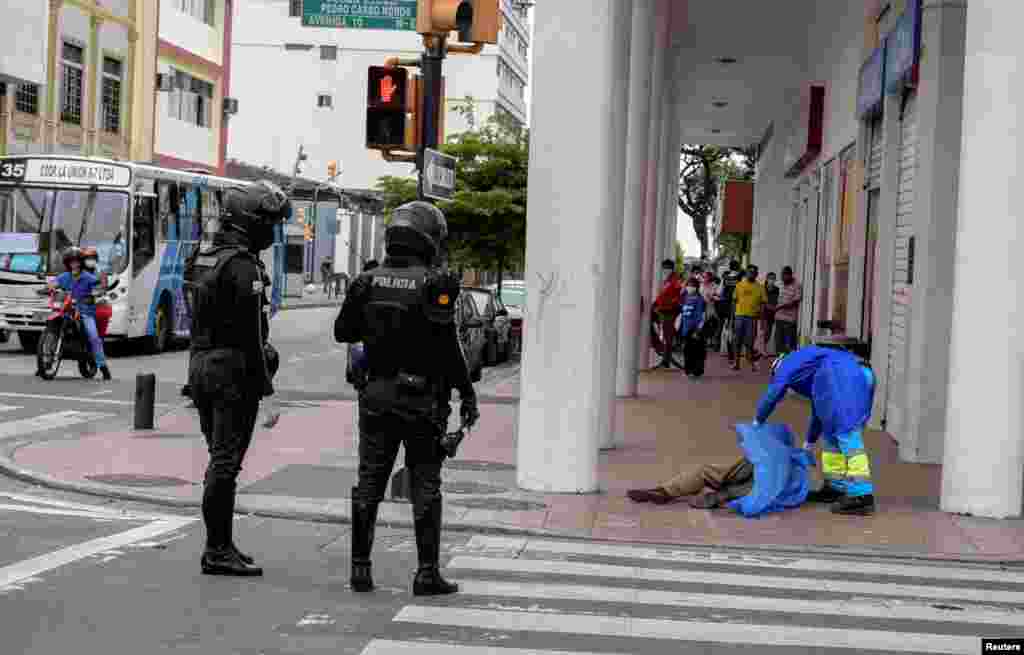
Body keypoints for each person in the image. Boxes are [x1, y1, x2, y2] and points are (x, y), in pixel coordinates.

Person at [334, 201, 480, 596]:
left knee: (369, 483)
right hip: (422, 401)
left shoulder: (367, 281)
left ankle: (360, 570)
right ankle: (426, 572)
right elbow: (450, 350)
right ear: (428, 238)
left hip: (376, 397)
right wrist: (467, 393)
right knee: (426, 485)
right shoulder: (436, 284)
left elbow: (342, 332)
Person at [183, 180, 290, 576]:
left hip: (201, 367)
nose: (272, 231)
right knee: (225, 463)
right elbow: (251, 335)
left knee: (219, 460)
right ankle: (216, 550)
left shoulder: (203, 256)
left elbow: (193, 316)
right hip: (232, 373)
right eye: (268, 223)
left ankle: (222, 543)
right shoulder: (244, 265)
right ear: (249, 221)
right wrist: (269, 392)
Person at [755, 346, 877, 515]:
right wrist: (809, 444)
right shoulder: (810, 368)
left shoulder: (786, 366)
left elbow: (773, 393)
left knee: (847, 433)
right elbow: (818, 411)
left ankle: (862, 496)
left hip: (845, 376)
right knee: (832, 433)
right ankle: (835, 487)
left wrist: (757, 421)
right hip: (857, 373)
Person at [49, 247, 112, 381]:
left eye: (77, 261)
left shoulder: (88, 277)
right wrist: (47, 288)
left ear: (81, 262)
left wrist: (95, 294)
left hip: (85, 312)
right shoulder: (64, 276)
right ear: (67, 263)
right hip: (66, 310)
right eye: (71, 261)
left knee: (94, 337)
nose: (74, 264)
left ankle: (103, 367)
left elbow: (99, 288)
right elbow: (53, 284)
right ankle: (45, 362)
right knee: (52, 329)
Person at [731, 264, 766, 372]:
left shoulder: (760, 287)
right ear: (746, 273)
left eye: (754, 272)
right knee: (737, 340)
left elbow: (763, 304)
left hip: (752, 318)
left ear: (756, 274)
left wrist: (761, 318)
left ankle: (751, 363)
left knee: (750, 341)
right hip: (739, 316)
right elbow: (734, 302)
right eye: (749, 272)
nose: (751, 274)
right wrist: (732, 318)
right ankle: (736, 362)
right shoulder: (739, 285)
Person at [652, 259, 683, 369]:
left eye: (666, 268)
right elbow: (662, 295)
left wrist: (670, 303)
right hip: (664, 310)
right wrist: (656, 303)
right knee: (666, 335)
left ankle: (666, 360)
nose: (664, 270)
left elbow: (679, 294)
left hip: (670, 311)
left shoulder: (675, 280)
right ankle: (665, 359)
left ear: (671, 268)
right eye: (664, 268)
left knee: (668, 336)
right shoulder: (667, 280)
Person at [679, 277, 707, 378]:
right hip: (686, 329)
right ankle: (688, 370)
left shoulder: (700, 300)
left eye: (692, 286)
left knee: (696, 351)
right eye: (688, 285)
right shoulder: (685, 297)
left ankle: (696, 371)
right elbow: (683, 314)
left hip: (695, 329)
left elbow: (702, 316)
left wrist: (698, 330)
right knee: (687, 351)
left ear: (696, 287)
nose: (690, 287)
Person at [717, 260, 743, 361]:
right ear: (738, 267)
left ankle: (730, 354)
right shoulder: (741, 277)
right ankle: (735, 353)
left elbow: (719, 292)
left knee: (729, 329)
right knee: (737, 330)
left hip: (726, 306)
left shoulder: (725, 277)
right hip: (738, 306)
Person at [774, 265, 803, 355]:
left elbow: (795, 301)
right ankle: (780, 362)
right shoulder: (780, 284)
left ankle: (790, 363)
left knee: (790, 344)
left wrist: (780, 307)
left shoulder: (797, 285)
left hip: (789, 320)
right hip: (779, 318)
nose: (782, 278)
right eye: (782, 275)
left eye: (784, 275)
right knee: (778, 343)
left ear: (790, 275)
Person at [761, 272, 780, 355]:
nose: (772, 280)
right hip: (763, 312)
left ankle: (763, 347)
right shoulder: (762, 288)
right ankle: (763, 349)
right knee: (765, 331)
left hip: (772, 313)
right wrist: (766, 305)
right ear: (767, 279)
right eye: (770, 278)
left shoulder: (777, 289)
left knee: (769, 332)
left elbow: (777, 300)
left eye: (773, 278)